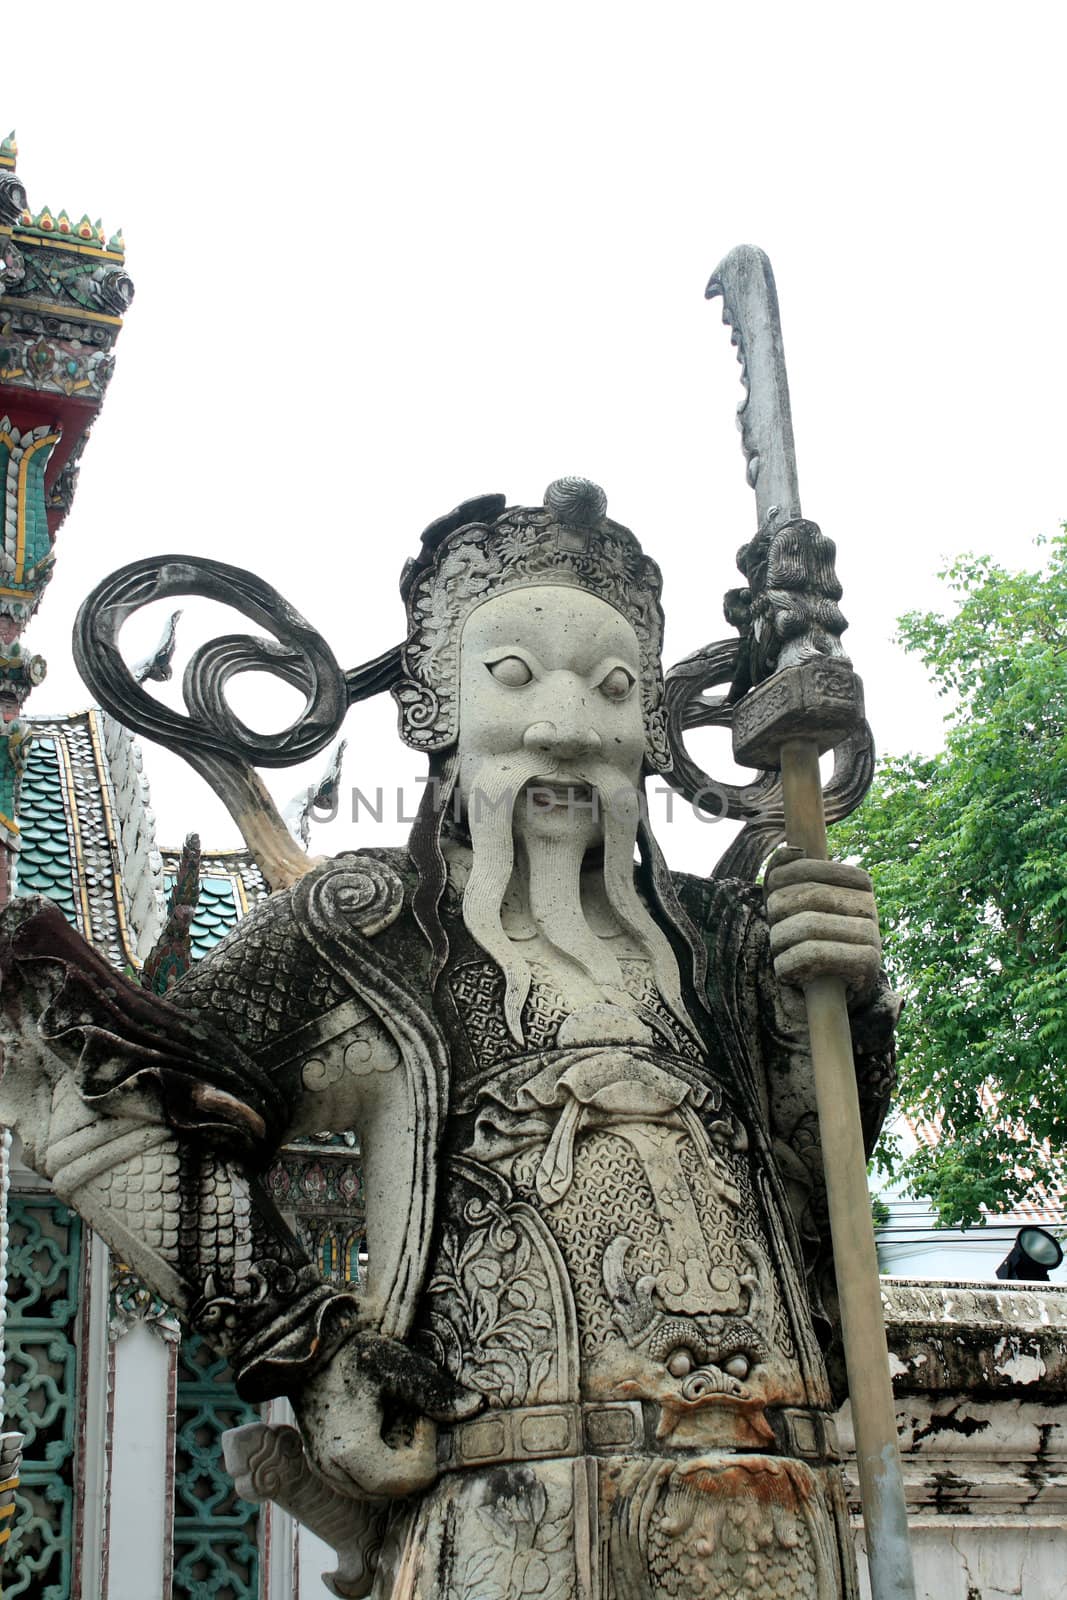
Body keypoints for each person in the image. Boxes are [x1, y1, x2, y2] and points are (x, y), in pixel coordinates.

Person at [0, 479, 897, 1599]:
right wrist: (314, 1350)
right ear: (432, 704)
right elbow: (98, 1102)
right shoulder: (372, 932)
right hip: (507, 1526)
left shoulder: (724, 945)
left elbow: (826, 1190)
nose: (566, 725)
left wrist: (840, 1003)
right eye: (512, 677)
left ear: (651, 731)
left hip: (783, 1523)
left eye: (614, 689)